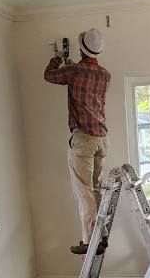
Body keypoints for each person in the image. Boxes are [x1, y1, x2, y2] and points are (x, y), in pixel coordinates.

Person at [44, 28, 110, 254]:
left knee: (84, 192)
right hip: (102, 139)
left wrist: (56, 59)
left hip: (84, 139)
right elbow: (85, 83)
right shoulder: (105, 75)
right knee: (96, 189)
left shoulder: (74, 71)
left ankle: (90, 240)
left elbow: (50, 75)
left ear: (82, 48)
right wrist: (71, 66)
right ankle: (102, 235)